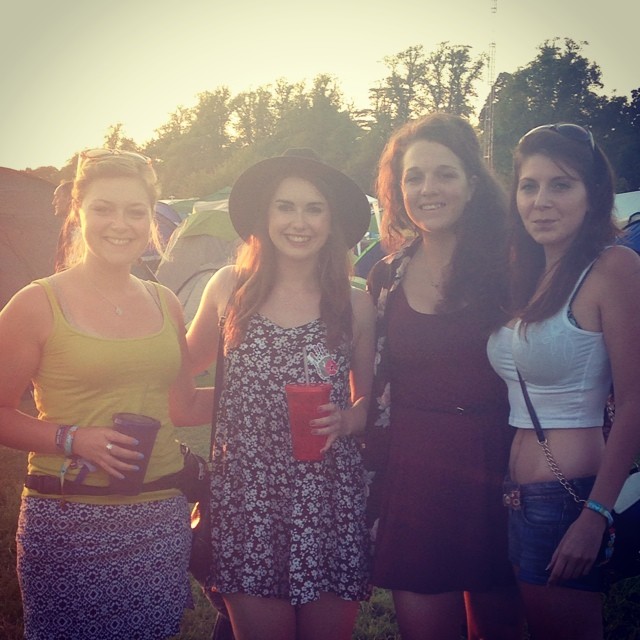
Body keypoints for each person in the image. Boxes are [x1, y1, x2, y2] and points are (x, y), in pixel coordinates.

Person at [0, 148, 213, 640]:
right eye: (103, 208)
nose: (120, 224)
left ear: (152, 218)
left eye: (135, 211)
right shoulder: (38, 302)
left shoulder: (165, 302)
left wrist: (256, 390)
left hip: (160, 517)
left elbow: (182, 406)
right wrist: (73, 439)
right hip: (68, 520)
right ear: (78, 212)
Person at [186, 149, 375, 640]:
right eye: (285, 206)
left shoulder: (355, 303)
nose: (299, 222)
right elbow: (178, 368)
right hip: (246, 499)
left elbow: (369, 406)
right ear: (264, 216)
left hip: (329, 499)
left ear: (331, 221)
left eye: (314, 208)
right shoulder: (229, 288)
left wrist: (346, 420)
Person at [365, 113, 524, 640]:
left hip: (497, 465)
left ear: (473, 184)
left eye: (445, 174)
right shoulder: (386, 275)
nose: (428, 188)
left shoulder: (513, 266)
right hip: (414, 472)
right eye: (414, 177)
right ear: (398, 190)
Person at [487, 123, 640, 639]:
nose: (541, 201)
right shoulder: (529, 273)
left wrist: (595, 514)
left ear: (593, 194)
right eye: (528, 186)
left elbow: (636, 399)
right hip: (517, 496)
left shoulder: (614, 267)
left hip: (568, 498)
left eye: (561, 185)